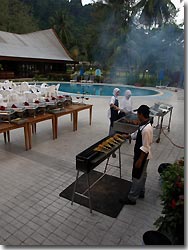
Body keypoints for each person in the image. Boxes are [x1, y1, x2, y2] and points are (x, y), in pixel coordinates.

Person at [120, 105, 153, 205]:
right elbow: (137, 133)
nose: (137, 115)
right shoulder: (144, 124)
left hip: (142, 156)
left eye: (138, 113)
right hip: (141, 154)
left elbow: (146, 147)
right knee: (142, 175)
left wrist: (139, 160)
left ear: (141, 114)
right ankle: (141, 192)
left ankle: (132, 198)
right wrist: (128, 136)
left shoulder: (147, 129)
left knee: (137, 176)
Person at [108, 88, 120, 157]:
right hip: (112, 114)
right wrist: (116, 108)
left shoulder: (116, 98)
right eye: (118, 92)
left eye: (119, 92)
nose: (118, 93)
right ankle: (110, 137)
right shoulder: (113, 98)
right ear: (115, 92)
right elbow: (111, 104)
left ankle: (112, 136)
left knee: (113, 125)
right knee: (112, 125)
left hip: (115, 114)